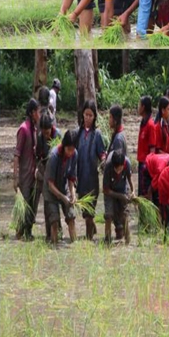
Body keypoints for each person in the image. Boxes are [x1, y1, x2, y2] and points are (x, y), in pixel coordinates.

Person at [75, 100, 106, 240]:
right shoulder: (77, 133)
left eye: (90, 115)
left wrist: (104, 160)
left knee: (89, 212)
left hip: (92, 179)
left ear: (94, 117)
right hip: (80, 179)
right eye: (86, 114)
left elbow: (102, 153)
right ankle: (92, 228)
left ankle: (88, 240)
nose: (87, 118)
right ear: (82, 114)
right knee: (85, 212)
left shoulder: (97, 135)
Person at [44, 130, 78, 245]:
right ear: (64, 146)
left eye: (73, 149)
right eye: (69, 149)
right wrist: (64, 198)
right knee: (54, 221)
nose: (71, 153)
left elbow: (71, 178)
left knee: (71, 217)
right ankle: (54, 245)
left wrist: (72, 195)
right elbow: (50, 185)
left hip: (64, 187)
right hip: (51, 190)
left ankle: (74, 245)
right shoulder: (54, 156)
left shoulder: (74, 154)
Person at [136, 96, 157, 197]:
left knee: (145, 194)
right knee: (141, 193)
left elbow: (152, 149)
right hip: (141, 162)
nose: (138, 107)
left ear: (143, 107)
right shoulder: (143, 122)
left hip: (146, 165)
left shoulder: (150, 125)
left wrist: (148, 167)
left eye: (139, 105)